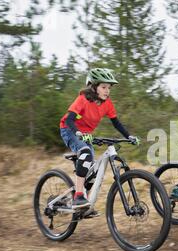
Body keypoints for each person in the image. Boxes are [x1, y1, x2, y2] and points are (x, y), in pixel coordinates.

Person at [59, 68, 138, 209]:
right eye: (103, 87)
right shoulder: (82, 99)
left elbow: (116, 123)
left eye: (109, 88)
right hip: (69, 130)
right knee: (85, 153)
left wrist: (129, 136)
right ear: (93, 87)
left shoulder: (107, 103)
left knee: (92, 171)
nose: (107, 91)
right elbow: (70, 120)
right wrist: (78, 133)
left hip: (85, 134)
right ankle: (78, 196)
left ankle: (85, 206)